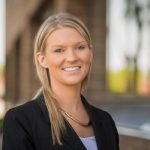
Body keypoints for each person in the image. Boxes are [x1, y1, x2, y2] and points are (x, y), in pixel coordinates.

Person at [2, 13, 119, 150]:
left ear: (90, 53)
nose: (72, 57)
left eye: (80, 47)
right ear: (42, 59)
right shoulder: (21, 120)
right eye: (59, 50)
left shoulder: (105, 121)